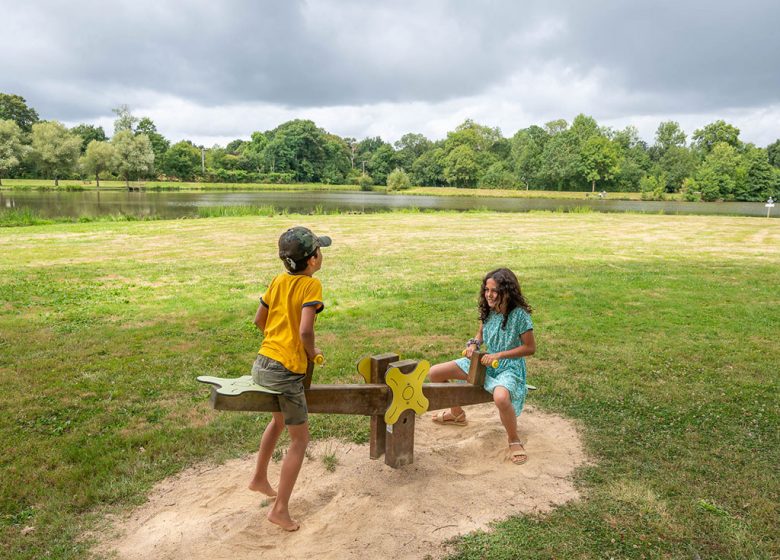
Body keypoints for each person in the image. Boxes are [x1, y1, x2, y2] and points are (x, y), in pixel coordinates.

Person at [247, 226, 331, 531]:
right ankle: (280, 509)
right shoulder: (311, 287)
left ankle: (258, 478)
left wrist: (275, 342)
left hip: (263, 362)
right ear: (311, 261)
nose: (322, 255)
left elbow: (260, 319)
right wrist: (309, 351)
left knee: (278, 421)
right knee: (300, 439)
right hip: (286, 371)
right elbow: (306, 331)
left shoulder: (278, 280)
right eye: (319, 251)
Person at [428, 268, 536, 465]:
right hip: (485, 362)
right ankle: (457, 413)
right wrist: (473, 344)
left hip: (508, 367)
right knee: (435, 373)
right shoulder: (489, 311)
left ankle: (514, 440)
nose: (489, 294)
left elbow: (530, 348)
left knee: (501, 398)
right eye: (486, 289)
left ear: (507, 291)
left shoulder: (519, 316)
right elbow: (480, 334)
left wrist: (499, 354)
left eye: (494, 290)